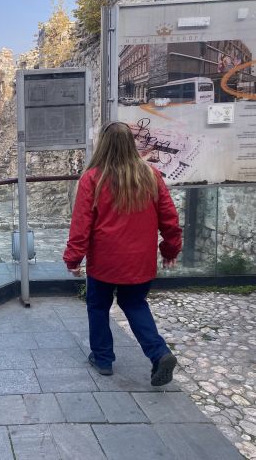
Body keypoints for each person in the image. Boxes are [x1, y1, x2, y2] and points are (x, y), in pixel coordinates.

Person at [63, 121, 182, 386]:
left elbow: (81, 225)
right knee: (135, 304)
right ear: (132, 144)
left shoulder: (93, 178)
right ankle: (159, 353)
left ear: (103, 145)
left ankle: (103, 359)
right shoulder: (151, 176)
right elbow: (170, 220)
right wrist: (170, 249)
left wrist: (73, 258)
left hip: (104, 261)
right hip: (139, 261)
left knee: (98, 306)